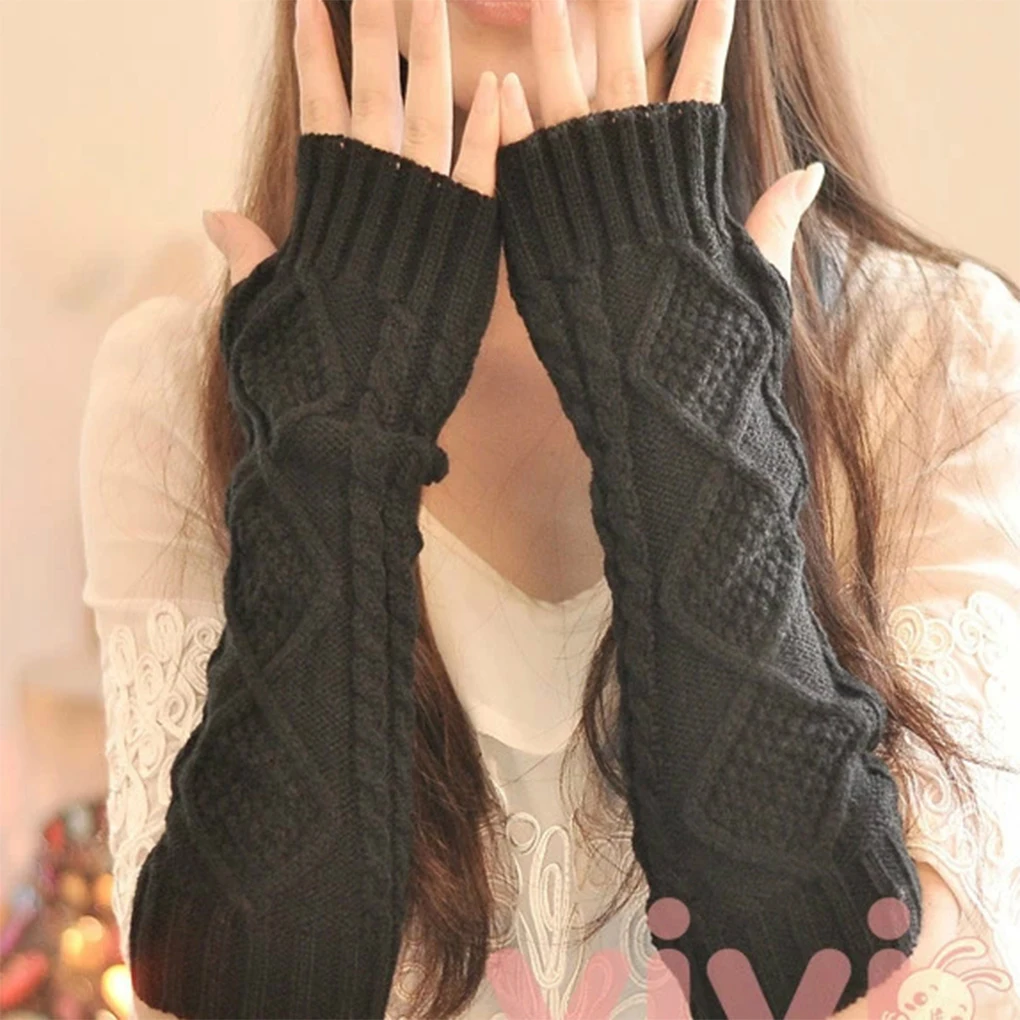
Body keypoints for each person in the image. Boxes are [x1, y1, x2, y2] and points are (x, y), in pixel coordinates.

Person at [77, 0, 1020, 1016]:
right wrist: (329, 445)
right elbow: (232, 990)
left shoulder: (940, 354)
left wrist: (684, 391)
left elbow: (870, 987)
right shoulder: (179, 384)